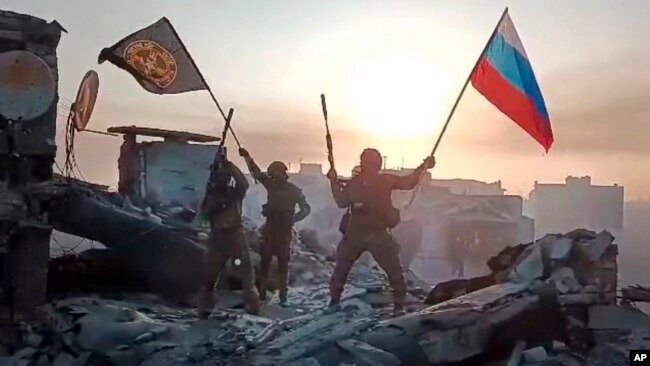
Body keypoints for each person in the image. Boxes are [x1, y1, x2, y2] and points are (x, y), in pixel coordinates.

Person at [326, 148, 435, 315]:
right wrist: (423, 167)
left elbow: (341, 202)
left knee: (341, 269)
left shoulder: (354, 183)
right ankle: (399, 305)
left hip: (355, 234)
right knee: (394, 271)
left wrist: (334, 182)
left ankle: (334, 301)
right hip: (376, 233)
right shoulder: (384, 180)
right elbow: (410, 182)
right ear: (378, 164)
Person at [239, 148, 311, 306]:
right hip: (272, 229)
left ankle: (281, 296)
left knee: (281, 265)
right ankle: (266, 294)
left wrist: (293, 219)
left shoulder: (290, 189)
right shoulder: (275, 186)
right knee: (268, 264)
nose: (273, 177)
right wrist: (247, 157)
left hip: (281, 231)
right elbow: (256, 173)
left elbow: (306, 208)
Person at [197, 147, 260, 318]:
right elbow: (204, 213)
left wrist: (230, 166)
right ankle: (205, 310)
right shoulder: (210, 198)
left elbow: (243, 183)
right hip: (218, 237)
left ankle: (252, 307)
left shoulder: (233, 194)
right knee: (210, 277)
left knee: (246, 275)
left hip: (234, 235)